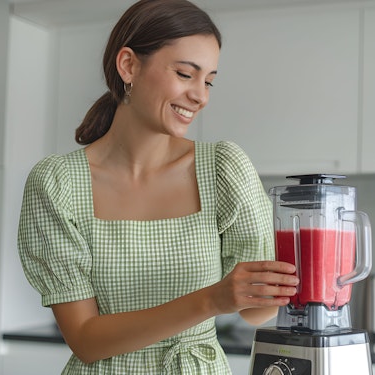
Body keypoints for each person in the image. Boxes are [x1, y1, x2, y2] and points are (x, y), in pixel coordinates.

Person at [18, 0, 298, 373]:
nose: (201, 96)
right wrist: (211, 301)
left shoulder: (223, 169)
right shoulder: (57, 183)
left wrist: (283, 274)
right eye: (185, 74)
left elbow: (255, 312)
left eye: (209, 80)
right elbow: (85, 339)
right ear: (129, 65)